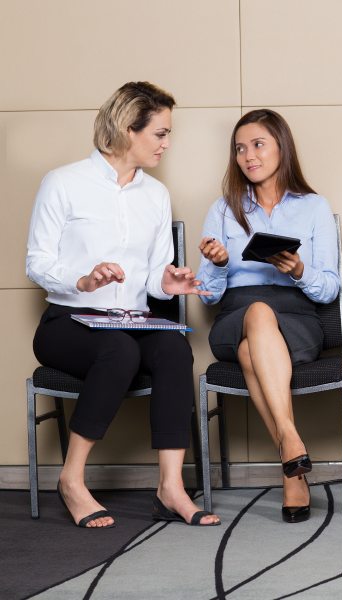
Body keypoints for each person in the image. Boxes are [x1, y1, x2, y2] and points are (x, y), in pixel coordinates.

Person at [26, 82, 220, 528]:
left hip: (131, 320)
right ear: (128, 129)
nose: (167, 144)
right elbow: (37, 262)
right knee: (119, 351)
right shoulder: (63, 183)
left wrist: (167, 283)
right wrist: (82, 279)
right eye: (160, 133)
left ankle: (170, 487)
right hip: (67, 322)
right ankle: (72, 479)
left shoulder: (156, 195)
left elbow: (152, 277)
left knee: (174, 349)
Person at [197, 109, 340, 524]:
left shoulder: (314, 207)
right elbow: (208, 295)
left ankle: (289, 462)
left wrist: (299, 270)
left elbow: (329, 288)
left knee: (251, 351)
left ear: (282, 147)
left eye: (258, 145)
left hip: (297, 318)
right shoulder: (223, 209)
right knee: (256, 314)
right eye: (240, 149)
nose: (248, 156)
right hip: (234, 314)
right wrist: (219, 264)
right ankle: (291, 442)